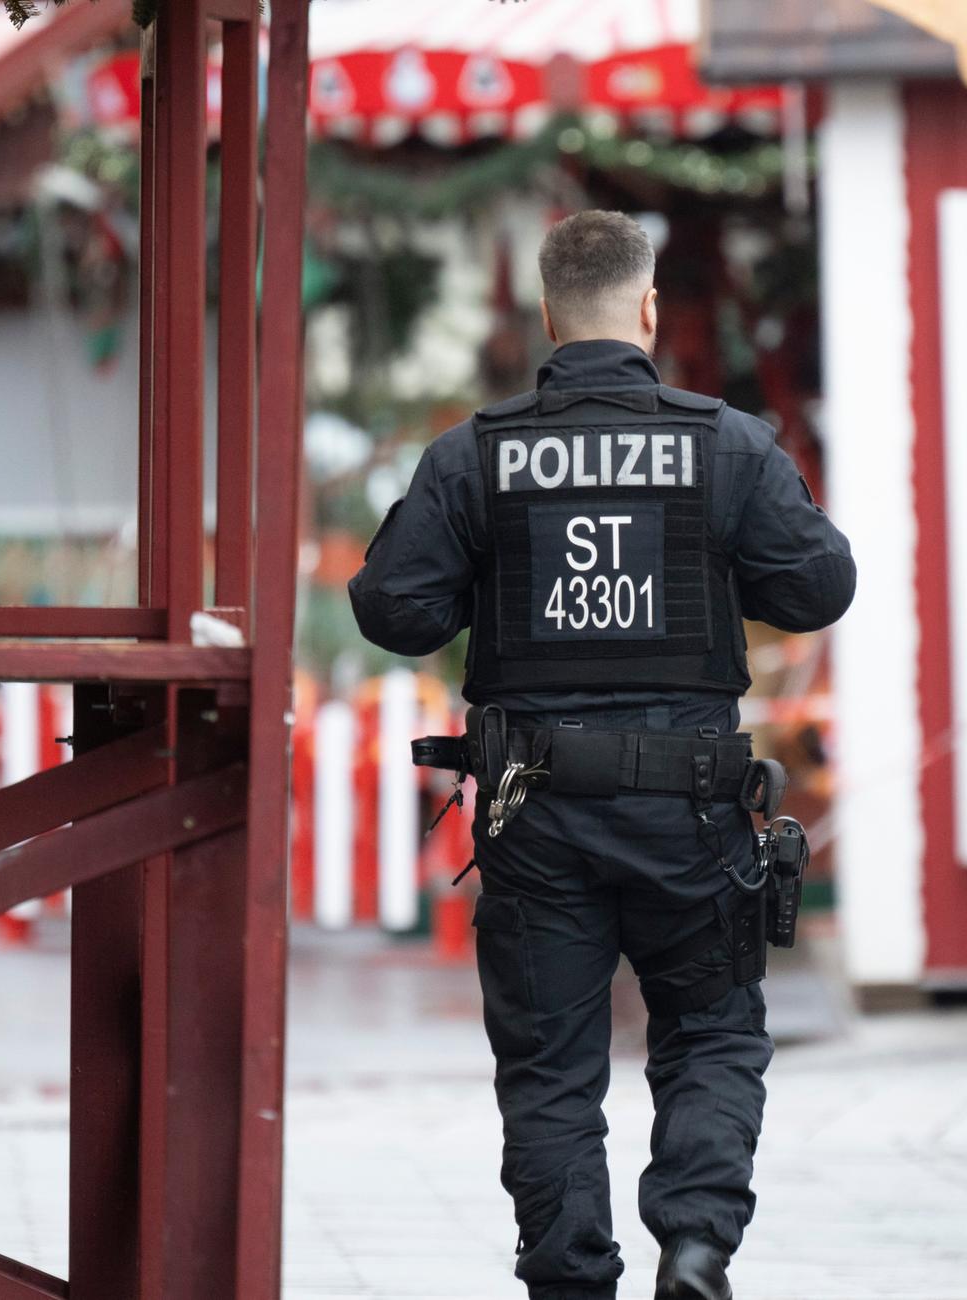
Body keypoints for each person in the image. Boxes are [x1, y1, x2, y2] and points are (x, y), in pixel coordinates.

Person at [350, 210, 856, 1300]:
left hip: (536, 817)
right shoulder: (724, 444)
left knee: (551, 1071)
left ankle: (570, 1279)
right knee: (712, 1032)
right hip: (692, 811)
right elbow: (818, 587)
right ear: (648, 309)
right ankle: (696, 1247)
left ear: (543, 312)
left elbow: (391, 605)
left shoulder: (473, 454)